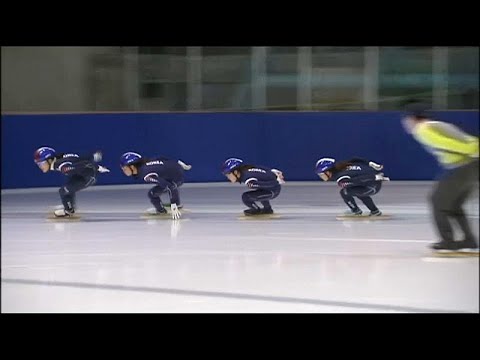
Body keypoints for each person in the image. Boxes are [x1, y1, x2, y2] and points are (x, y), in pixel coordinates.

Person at [402, 103, 479, 252]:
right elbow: (466, 139)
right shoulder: (436, 124)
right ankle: (469, 240)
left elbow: (447, 143)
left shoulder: (422, 129)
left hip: (464, 165)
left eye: (406, 120)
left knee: (437, 202)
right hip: (471, 166)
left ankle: (447, 241)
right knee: (454, 205)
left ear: (412, 118)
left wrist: (471, 152)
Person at [33, 146, 110, 217]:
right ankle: (69, 207)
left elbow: (78, 166)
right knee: (68, 189)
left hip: (88, 177)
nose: (40, 166)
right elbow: (79, 159)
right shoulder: (62, 158)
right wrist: (93, 157)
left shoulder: (62, 166)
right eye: (38, 164)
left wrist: (97, 167)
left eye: (41, 163)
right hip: (83, 174)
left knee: (64, 190)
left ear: (49, 160)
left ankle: (68, 211)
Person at [120, 152, 191, 220]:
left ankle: (162, 212)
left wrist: (173, 205)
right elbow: (161, 158)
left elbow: (170, 187)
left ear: (132, 167)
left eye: (124, 169)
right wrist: (178, 164)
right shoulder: (146, 163)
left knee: (152, 194)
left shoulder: (146, 175)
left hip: (177, 179)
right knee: (164, 186)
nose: (123, 171)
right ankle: (177, 205)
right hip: (177, 168)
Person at [315, 157, 389, 216]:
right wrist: (370, 164)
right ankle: (374, 211)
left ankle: (356, 211)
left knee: (345, 192)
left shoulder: (341, 178)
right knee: (355, 190)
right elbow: (355, 159)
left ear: (328, 171)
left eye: (322, 174)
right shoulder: (344, 165)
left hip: (372, 186)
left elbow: (358, 180)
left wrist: (374, 177)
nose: (322, 177)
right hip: (372, 182)